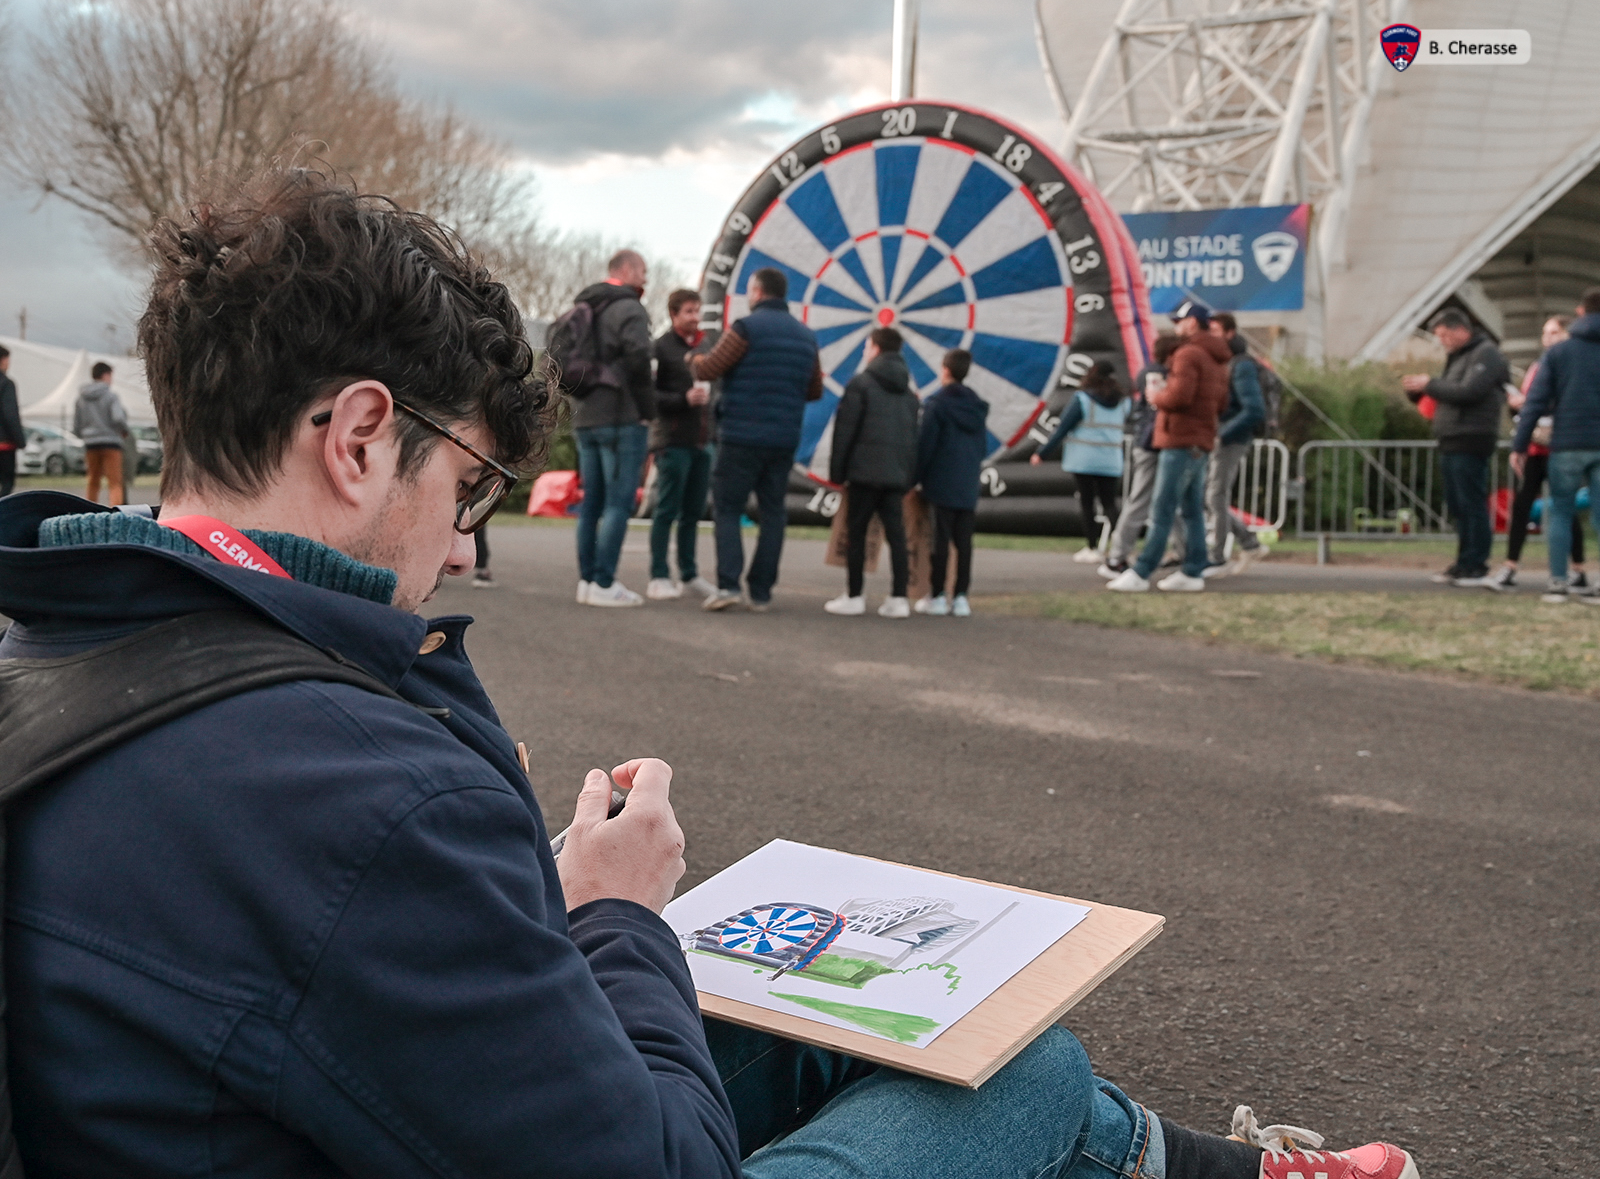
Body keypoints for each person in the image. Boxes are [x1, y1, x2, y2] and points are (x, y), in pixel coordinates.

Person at [0, 169, 1421, 1179]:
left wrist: (527, 911)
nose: (455, 547)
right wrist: (616, 914)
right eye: (475, 485)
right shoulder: (348, 787)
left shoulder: (65, 637)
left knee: (822, 1052)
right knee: (1018, 1069)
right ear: (364, 437)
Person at [690, 267, 823, 611]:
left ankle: (729, 585)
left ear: (759, 292)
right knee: (773, 513)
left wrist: (693, 358)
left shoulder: (745, 329)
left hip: (740, 434)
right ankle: (761, 592)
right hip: (783, 438)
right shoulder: (807, 336)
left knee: (729, 508)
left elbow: (709, 369)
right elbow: (815, 389)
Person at [1107, 300, 1232, 593]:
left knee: (1162, 508)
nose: (1176, 326)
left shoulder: (1188, 354)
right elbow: (1223, 403)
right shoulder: (1216, 358)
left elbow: (1179, 398)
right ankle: (1192, 571)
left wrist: (1156, 395)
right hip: (1200, 439)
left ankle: (1141, 571)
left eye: (1180, 321)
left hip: (1180, 439)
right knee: (1191, 512)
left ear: (1192, 323)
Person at [570, 248, 656, 608]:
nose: (646, 278)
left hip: (586, 415)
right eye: (643, 271)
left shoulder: (584, 306)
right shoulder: (629, 308)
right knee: (619, 503)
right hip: (621, 418)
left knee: (592, 503)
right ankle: (605, 583)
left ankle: (588, 581)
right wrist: (647, 409)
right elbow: (638, 356)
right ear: (627, 269)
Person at [1401, 309, 1507, 587]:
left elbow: (1470, 392)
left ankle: (1476, 564)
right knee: (1458, 504)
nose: (1443, 342)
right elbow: (1448, 392)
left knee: (1471, 503)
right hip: (1451, 436)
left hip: (1472, 436)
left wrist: (1431, 384)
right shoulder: (1458, 358)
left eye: (1445, 335)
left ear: (1461, 330)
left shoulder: (1486, 354)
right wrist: (1421, 392)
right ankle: (1463, 562)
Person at [1511, 287, 1600, 604]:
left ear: (1580, 312)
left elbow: (1534, 402)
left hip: (1567, 443)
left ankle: (1558, 583)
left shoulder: (1559, 354)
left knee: (1561, 512)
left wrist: (1519, 444)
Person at [825, 327, 921, 618]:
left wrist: (837, 473)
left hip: (863, 473)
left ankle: (854, 595)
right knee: (897, 536)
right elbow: (913, 439)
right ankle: (899, 598)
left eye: (867, 346)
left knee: (857, 533)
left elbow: (845, 431)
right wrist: (908, 477)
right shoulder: (909, 393)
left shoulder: (861, 384)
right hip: (895, 476)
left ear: (876, 349)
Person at [1491, 315, 1584, 592]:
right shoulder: (1538, 365)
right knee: (1522, 506)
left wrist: (1532, 404)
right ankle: (1510, 565)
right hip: (1535, 446)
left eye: (1554, 332)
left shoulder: (1569, 363)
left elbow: (1560, 401)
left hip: (1560, 446)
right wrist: (1518, 406)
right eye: (1546, 332)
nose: (1548, 338)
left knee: (1564, 507)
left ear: (1566, 334)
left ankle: (1576, 569)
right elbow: (1531, 405)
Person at [647, 287, 715, 600]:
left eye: (697, 310)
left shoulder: (709, 345)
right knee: (666, 510)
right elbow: (650, 396)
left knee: (694, 512)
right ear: (674, 314)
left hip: (703, 442)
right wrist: (683, 399)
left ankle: (689, 574)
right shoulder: (660, 347)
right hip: (672, 441)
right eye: (688, 311)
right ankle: (659, 575)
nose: (695, 317)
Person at [1100, 333, 1181, 579]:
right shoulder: (1157, 375)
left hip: (1150, 442)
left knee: (1172, 499)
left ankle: (1183, 548)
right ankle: (1117, 555)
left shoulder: (1148, 372)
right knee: (1142, 499)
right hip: (1151, 444)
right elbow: (1158, 408)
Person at [914, 347, 988, 617]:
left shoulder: (938, 404)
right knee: (964, 542)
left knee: (940, 541)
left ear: (944, 370)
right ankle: (961, 597)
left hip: (941, 480)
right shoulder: (977, 407)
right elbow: (982, 447)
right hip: (967, 480)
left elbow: (926, 446)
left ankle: (937, 595)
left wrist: (915, 478)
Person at [1032, 361, 1129, 564]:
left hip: (1084, 459)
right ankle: (1121, 549)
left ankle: (1092, 547)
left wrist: (1042, 453)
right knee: (1110, 503)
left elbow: (1062, 428)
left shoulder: (1083, 399)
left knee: (1087, 503)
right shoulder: (1123, 401)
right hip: (1111, 459)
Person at [1203, 313, 1269, 578]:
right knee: (1209, 496)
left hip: (1231, 438)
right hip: (1224, 434)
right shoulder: (1227, 362)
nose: (1211, 336)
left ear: (1230, 333)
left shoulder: (1241, 365)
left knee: (1214, 495)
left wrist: (1223, 433)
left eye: (1216, 331)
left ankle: (1218, 557)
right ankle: (1249, 543)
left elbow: (1254, 409)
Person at [73, 360, 129, 505]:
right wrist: (124, 430)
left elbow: (77, 424)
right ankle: (116, 512)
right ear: (105, 375)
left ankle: (89, 510)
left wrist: (84, 435)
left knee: (93, 480)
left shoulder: (81, 398)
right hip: (111, 442)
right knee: (115, 482)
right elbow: (118, 418)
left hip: (91, 443)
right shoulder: (111, 396)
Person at [0, 346, 23, 498]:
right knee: (6, 484)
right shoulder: (6, 384)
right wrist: (20, 439)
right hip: (4, 443)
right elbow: (10, 414)